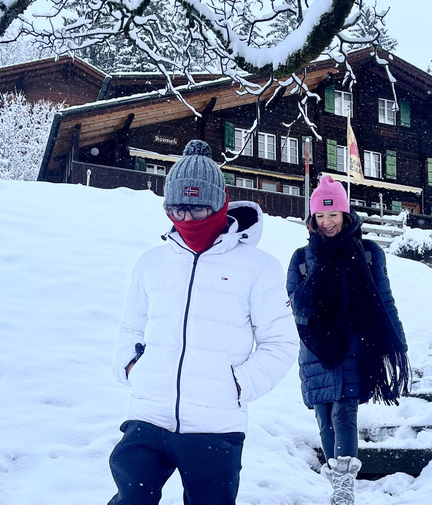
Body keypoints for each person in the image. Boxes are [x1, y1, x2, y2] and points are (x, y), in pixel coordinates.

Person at [109, 139, 298, 505]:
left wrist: (238, 385)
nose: (185, 220)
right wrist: (131, 368)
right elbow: (131, 327)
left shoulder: (258, 268)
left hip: (215, 426)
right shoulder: (152, 263)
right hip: (147, 417)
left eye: (197, 210)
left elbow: (281, 342)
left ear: (219, 203)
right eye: (176, 210)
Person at [286, 175, 410, 505]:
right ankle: (337, 479)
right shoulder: (301, 258)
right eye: (321, 216)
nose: (327, 223)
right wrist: (317, 276)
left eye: (333, 215)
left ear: (345, 215)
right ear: (312, 219)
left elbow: (384, 297)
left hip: (356, 345)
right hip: (316, 348)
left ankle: (344, 487)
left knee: (344, 413)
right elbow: (296, 307)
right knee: (323, 415)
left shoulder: (368, 253)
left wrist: (398, 341)